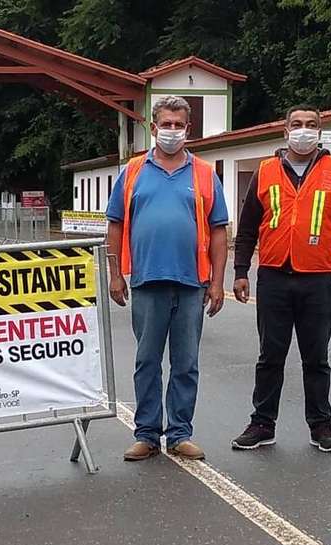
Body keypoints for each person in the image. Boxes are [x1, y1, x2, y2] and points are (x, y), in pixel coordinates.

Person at [231, 104, 331, 453]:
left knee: (316, 358)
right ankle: (262, 424)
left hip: (318, 280)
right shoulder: (265, 172)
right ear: (285, 131)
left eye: (310, 125)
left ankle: (321, 427)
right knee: (270, 356)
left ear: (319, 132)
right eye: (296, 124)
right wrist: (241, 271)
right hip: (274, 277)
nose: (303, 130)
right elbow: (247, 228)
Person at [106, 96, 229, 462]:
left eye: (178, 124)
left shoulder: (205, 173)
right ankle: (146, 433)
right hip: (146, 281)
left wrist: (218, 282)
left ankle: (179, 433)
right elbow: (114, 225)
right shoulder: (131, 172)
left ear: (187, 130)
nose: (171, 131)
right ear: (153, 127)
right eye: (166, 124)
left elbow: (219, 230)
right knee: (147, 362)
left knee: (186, 363)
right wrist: (115, 274)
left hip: (192, 284)